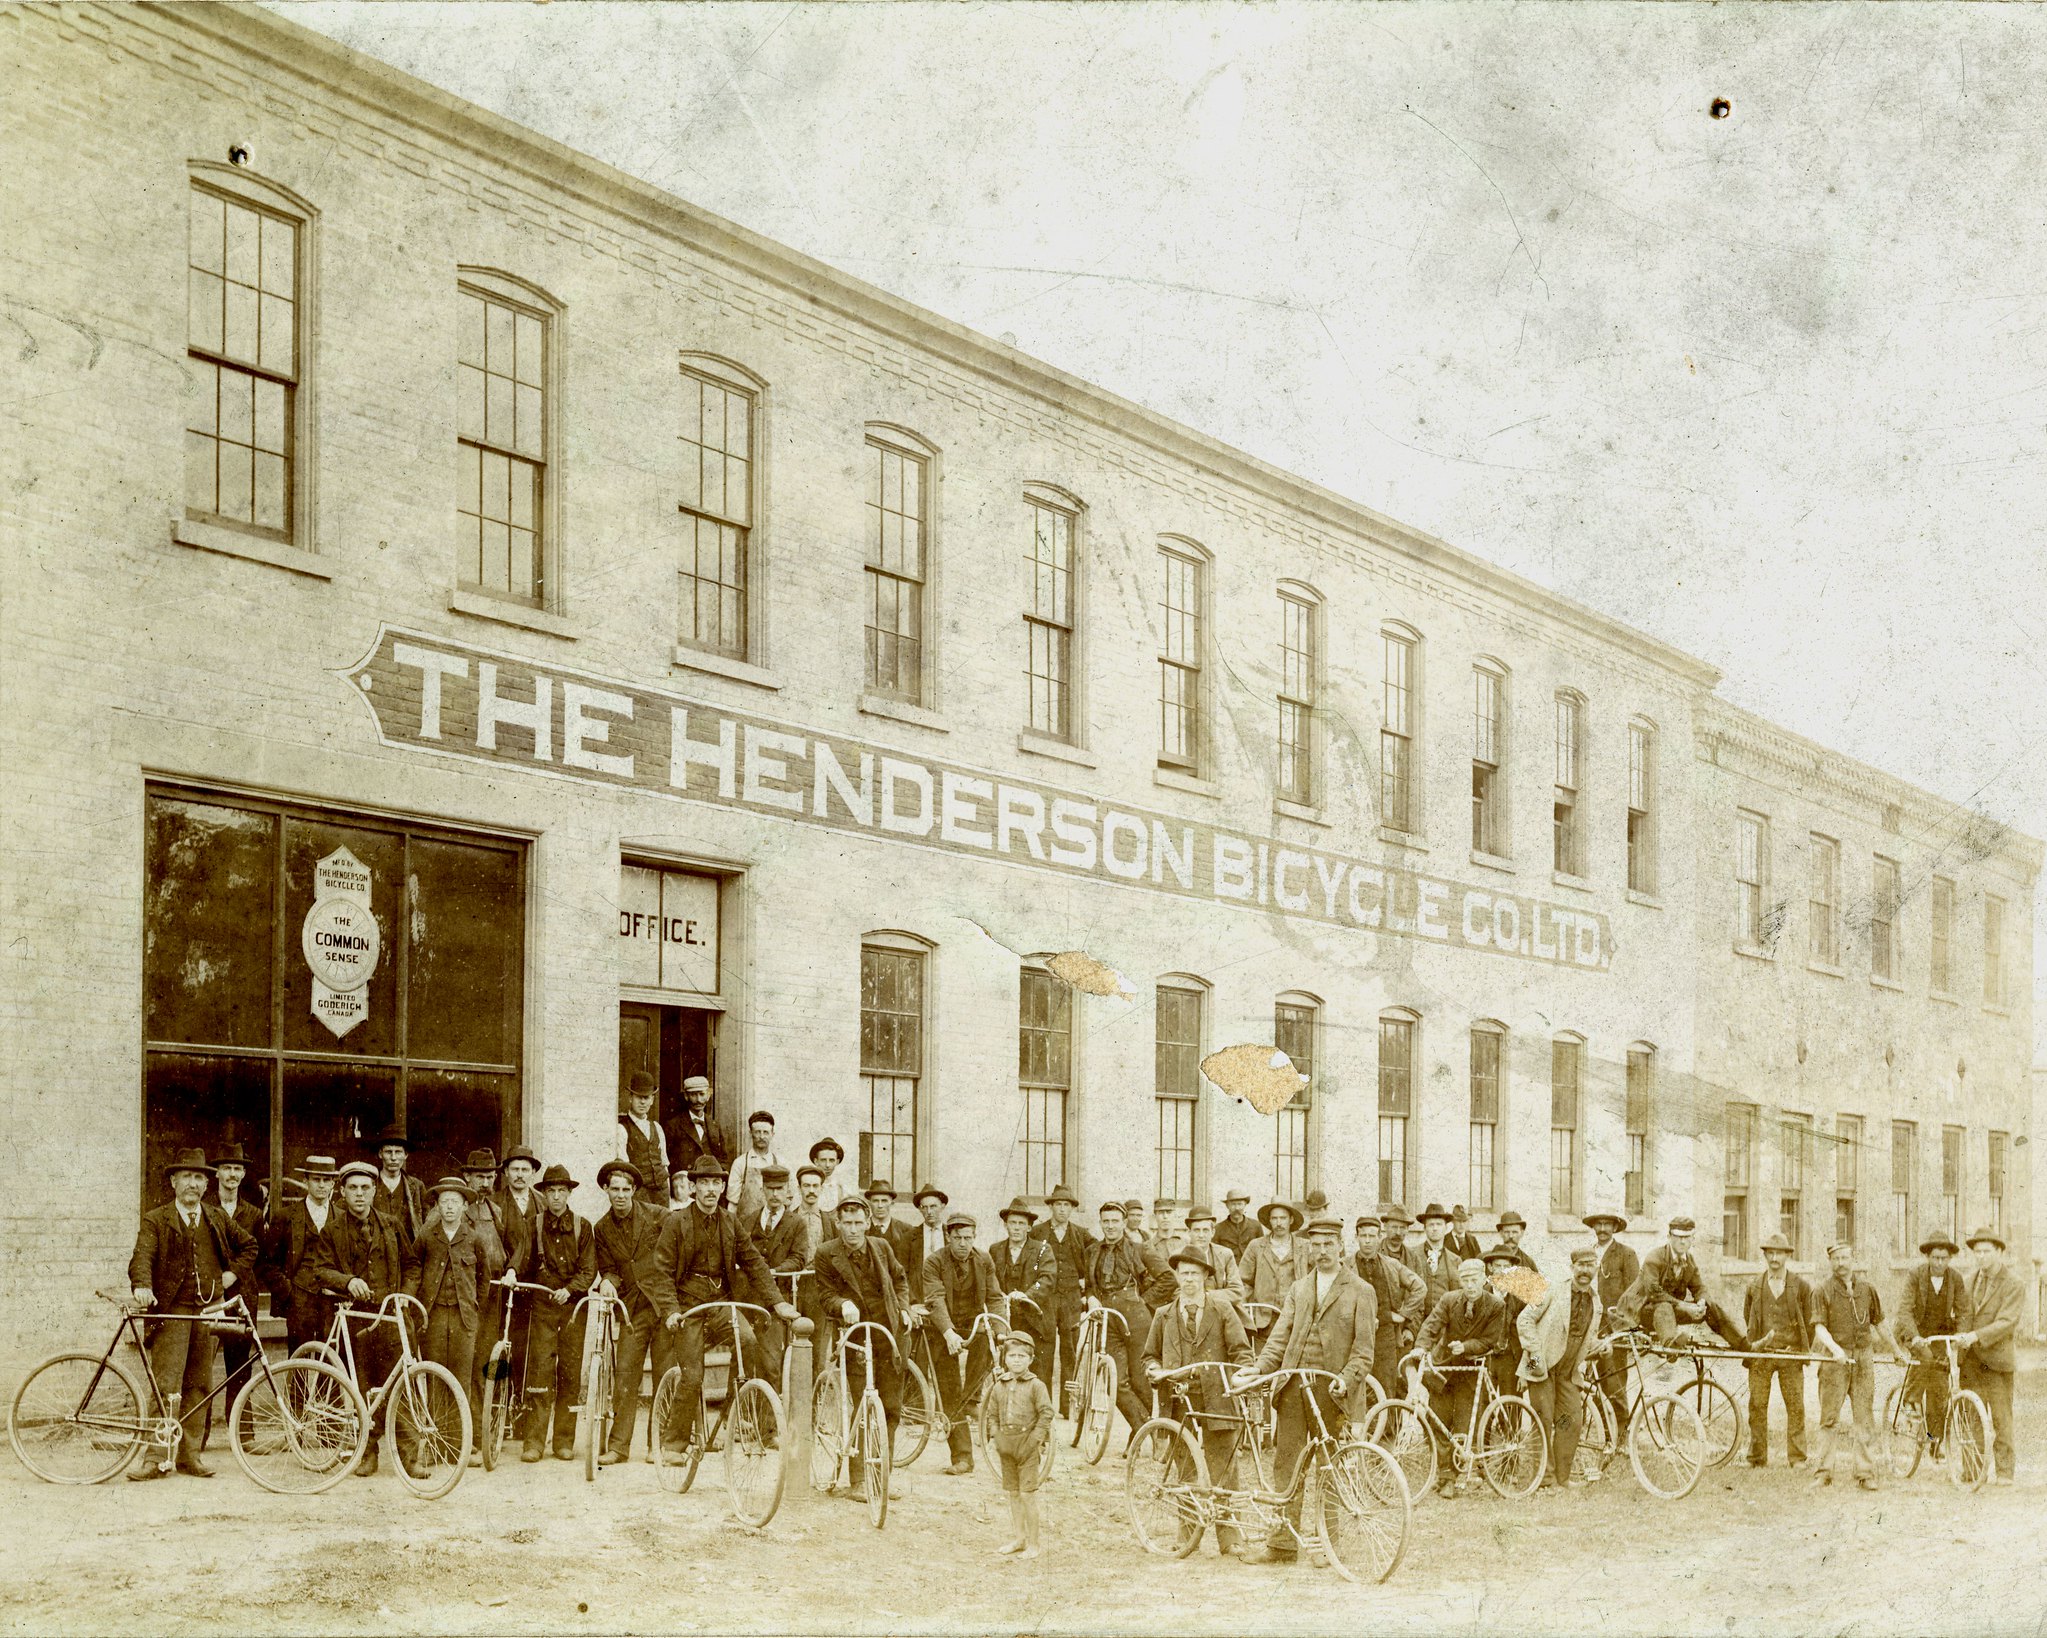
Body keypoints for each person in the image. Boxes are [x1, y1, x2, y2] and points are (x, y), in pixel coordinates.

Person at [1240, 1216, 1374, 1562]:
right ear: (1309, 1248)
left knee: (1328, 1467)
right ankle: (1282, 1545)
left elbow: (1364, 1352)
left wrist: (1345, 1379)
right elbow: (1279, 1339)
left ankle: (1327, 1547)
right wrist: (1257, 1368)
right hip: (1294, 1389)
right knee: (1286, 1466)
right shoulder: (1299, 1288)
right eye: (1316, 1244)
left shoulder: (1361, 1290)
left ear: (1341, 1247)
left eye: (1329, 1243)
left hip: (1333, 1393)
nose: (1322, 1250)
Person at [648, 1157, 797, 1455]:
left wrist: (778, 1303)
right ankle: (674, 1444)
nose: (711, 1190)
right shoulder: (677, 1222)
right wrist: (671, 1311)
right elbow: (661, 1271)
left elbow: (754, 1262)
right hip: (688, 1307)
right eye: (704, 1183)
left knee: (748, 1342)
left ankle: (730, 1414)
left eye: (716, 1183)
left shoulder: (730, 1222)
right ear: (692, 1187)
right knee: (692, 1376)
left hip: (720, 1305)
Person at [126, 1148, 258, 1480]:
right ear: (174, 1182)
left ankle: (189, 1455)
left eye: (199, 1178)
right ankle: (156, 1457)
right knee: (166, 1384)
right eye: (187, 1177)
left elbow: (250, 1246)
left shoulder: (215, 1217)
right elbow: (141, 1257)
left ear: (206, 1184)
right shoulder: (156, 1219)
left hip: (207, 1310)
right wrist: (143, 1285)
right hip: (172, 1312)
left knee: (199, 1384)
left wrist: (231, 1276)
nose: (193, 1184)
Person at [1143, 1247, 1253, 1557]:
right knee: (1187, 1468)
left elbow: (1241, 1352)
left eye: (1194, 1274)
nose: (1188, 1280)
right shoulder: (1164, 1315)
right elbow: (1149, 1355)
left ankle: (1230, 1538)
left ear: (1205, 1277)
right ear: (1177, 1277)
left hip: (1217, 1397)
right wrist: (1153, 1369)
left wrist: (1238, 1377)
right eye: (1183, 1274)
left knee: (1225, 1468)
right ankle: (1187, 1535)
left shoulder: (1222, 1310)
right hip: (1178, 1402)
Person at [314, 1160, 414, 1478]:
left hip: (389, 1315)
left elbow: (412, 1265)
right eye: (353, 1188)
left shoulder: (392, 1225)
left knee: (401, 1383)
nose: (360, 1194)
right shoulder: (332, 1230)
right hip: (355, 1321)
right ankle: (367, 1453)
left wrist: (403, 1296)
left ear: (374, 1191)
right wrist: (346, 1281)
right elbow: (319, 1269)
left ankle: (410, 1456)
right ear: (342, 1192)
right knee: (362, 1387)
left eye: (365, 1188)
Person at [811, 1194, 916, 1473]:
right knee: (861, 1406)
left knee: (891, 1407)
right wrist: (843, 1303)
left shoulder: (881, 1247)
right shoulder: (825, 1254)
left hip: (888, 1334)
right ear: (838, 1223)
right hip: (855, 1337)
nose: (853, 1230)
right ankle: (858, 1479)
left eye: (858, 1222)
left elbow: (899, 1279)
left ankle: (882, 1476)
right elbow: (824, 1295)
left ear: (868, 1222)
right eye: (847, 1223)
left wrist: (904, 1308)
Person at [405, 1176, 501, 1433]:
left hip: (464, 1319)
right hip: (433, 1316)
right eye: (444, 1202)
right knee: (435, 1376)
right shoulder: (427, 1237)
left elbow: (484, 1279)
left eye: (454, 1202)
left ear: (464, 1207)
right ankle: (438, 1441)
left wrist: (474, 1307)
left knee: (462, 1379)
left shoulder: (474, 1238)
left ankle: (460, 1443)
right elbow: (414, 1267)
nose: (449, 1207)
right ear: (437, 1206)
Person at [591, 1159, 670, 1467]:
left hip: (662, 1305)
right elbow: (608, 1268)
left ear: (634, 1190)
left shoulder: (658, 1216)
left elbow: (676, 1250)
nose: (620, 1195)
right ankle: (619, 1447)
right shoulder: (602, 1228)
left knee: (666, 1373)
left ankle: (659, 1443)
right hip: (631, 1310)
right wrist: (608, 1283)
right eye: (615, 1190)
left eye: (626, 1189)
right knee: (625, 1374)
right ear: (606, 1191)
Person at [1809, 1241, 1898, 1490]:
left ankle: (1865, 1473)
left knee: (1864, 1417)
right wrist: (1836, 1350)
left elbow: (1880, 1323)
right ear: (1830, 1262)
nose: (1841, 1263)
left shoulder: (1867, 1289)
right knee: (1829, 1418)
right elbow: (1819, 1327)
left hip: (1863, 1358)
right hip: (1835, 1360)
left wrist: (1896, 1351)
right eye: (1836, 1259)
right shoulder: (1822, 1290)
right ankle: (1823, 1473)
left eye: (1845, 1258)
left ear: (1853, 1258)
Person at [523, 1163, 597, 1462]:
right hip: (542, 1306)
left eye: (561, 1191)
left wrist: (571, 1289)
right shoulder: (534, 1224)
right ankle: (534, 1443)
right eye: (551, 1191)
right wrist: (515, 1271)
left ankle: (564, 1441)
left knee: (569, 1371)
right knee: (540, 1371)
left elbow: (589, 1269)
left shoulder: (583, 1226)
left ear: (569, 1194)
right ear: (545, 1193)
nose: (556, 1197)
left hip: (573, 1308)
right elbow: (522, 1257)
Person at [1414, 1258, 1507, 1495]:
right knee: (1438, 1419)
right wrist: (1420, 1347)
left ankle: (1453, 1476)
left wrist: (1465, 1347)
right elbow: (1431, 1324)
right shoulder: (1449, 1300)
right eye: (1465, 1280)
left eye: (1474, 1279)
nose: (1470, 1285)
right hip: (1444, 1367)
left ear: (1484, 1279)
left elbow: (1489, 1340)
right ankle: (1444, 1473)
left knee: (1464, 1424)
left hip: (1471, 1370)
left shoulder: (1495, 1305)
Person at [923, 1210, 1005, 1474]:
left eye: (968, 1238)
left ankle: (971, 1397)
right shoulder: (934, 1262)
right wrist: (947, 1332)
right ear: (948, 1237)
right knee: (949, 1389)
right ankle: (962, 1457)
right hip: (941, 1327)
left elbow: (994, 1297)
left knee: (987, 1351)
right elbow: (934, 1298)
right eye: (957, 1237)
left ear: (974, 1237)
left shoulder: (984, 1260)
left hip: (972, 1323)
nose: (962, 1243)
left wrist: (1000, 1328)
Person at [1516, 1248, 1605, 1488]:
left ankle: (1562, 1477)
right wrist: (1534, 1352)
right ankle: (1544, 1480)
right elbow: (1524, 1320)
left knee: (1571, 1420)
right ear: (1572, 1267)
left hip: (1567, 1372)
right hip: (1540, 1366)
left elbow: (1583, 1338)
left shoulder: (1596, 1303)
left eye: (1591, 1265)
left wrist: (1601, 1346)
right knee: (1543, 1418)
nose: (1586, 1270)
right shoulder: (1553, 1291)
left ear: (1596, 1268)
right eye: (1581, 1265)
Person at [1085, 1200, 1172, 1441]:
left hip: (1137, 1319)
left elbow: (1168, 1278)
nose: (1110, 1226)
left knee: (1139, 1379)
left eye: (1115, 1221)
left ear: (1124, 1223)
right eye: (1106, 1222)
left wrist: (1144, 1302)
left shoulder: (1139, 1249)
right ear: (1100, 1223)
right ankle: (1147, 1429)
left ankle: (1140, 1435)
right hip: (1107, 1318)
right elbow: (1090, 1285)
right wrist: (1091, 1298)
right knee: (1117, 1381)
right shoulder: (1092, 1251)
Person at [1893, 1230, 1970, 1462]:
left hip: (1939, 1336)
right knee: (1924, 1358)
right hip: (1915, 1332)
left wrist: (1961, 1335)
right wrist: (1914, 1337)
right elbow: (1905, 1310)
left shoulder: (1955, 1279)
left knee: (1940, 1390)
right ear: (1928, 1257)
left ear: (1949, 1259)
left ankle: (1935, 1443)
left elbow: (1964, 1310)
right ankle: (1910, 1400)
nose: (1939, 1263)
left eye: (1943, 1258)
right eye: (1935, 1258)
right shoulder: (1915, 1275)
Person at [1616, 1216, 1747, 1351]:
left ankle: (1743, 1344)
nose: (1682, 1242)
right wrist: (1684, 1306)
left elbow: (1699, 1287)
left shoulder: (1689, 1261)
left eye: (1687, 1237)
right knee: (1663, 1306)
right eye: (1678, 1237)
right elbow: (1654, 1293)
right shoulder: (1654, 1258)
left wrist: (1701, 1301)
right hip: (1639, 1310)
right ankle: (1671, 1345)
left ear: (1692, 1239)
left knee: (1709, 1304)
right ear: (1669, 1237)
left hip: (1669, 1313)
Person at [1742, 1232, 1814, 1467]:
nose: (1774, 1258)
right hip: (1762, 1354)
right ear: (1765, 1256)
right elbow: (1748, 1316)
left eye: (1779, 1254)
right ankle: (1756, 1457)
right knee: (1757, 1404)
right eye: (1770, 1253)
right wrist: (1759, 1343)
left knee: (1795, 1405)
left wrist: (1800, 1347)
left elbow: (1809, 1321)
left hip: (1790, 1354)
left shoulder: (1801, 1286)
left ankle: (1797, 1457)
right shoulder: (1755, 1286)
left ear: (1787, 1256)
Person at [1962, 1224, 2023, 1484]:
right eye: (1977, 1252)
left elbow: (2006, 1321)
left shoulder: (2014, 1283)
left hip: (1997, 1363)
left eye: (1986, 1251)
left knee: (2001, 1417)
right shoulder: (1968, 1280)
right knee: (1971, 1416)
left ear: (1999, 1251)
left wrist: (1977, 1335)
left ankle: (2005, 1472)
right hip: (1971, 1362)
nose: (1981, 1257)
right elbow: (1964, 1315)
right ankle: (1973, 1470)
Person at [263, 1154, 340, 1356]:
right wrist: (288, 1293)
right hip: (299, 1299)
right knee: (298, 1359)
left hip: (331, 1300)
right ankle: (296, 1389)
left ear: (333, 1183)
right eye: (316, 1179)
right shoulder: (286, 1216)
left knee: (330, 1359)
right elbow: (268, 1263)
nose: (321, 1185)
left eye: (326, 1180)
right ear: (306, 1181)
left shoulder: (342, 1216)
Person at [986, 1330, 1052, 1559]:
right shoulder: (999, 1386)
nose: (1016, 1360)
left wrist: (1034, 1440)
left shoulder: (1036, 1386)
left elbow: (1046, 1414)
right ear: (1005, 1359)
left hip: (1028, 1448)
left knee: (1027, 1495)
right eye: (1012, 1356)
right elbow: (991, 1415)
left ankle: (1034, 1543)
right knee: (1013, 1494)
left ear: (1030, 1359)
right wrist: (997, 1437)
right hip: (1007, 1446)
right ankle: (1019, 1538)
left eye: (1021, 1356)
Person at [1030, 1184, 1095, 1394]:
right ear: (1051, 1207)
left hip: (1071, 1299)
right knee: (1044, 1350)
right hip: (1045, 1300)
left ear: (1072, 1208)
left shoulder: (1081, 1234)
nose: (1062, 1209)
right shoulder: (1037, 1232)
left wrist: (1087, 1285)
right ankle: (1044, 1401)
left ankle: (1069, 1405)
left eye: (1066, 1205)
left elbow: (1095, 1255)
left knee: (1070, 1350)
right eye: (1058, 1204)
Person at [1352, 1214, 1427, 1395]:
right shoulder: (1346, 1266)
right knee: (1357, 1388)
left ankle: (1388, 1423)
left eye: (1372, 1236)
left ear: (1379, 1237)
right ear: (1356, 1238)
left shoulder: (1392, 1265)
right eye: (1364, 1236)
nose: (1368, 1241)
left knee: (1387, 1387)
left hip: (1386, 1337)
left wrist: (1403, 1314)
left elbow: (1420, 1288)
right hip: (1355, 1336)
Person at [988, 1197, 1056, 1387]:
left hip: (1037, 1321)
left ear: (1029, 1227)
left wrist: (1027, 1295)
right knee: (1007, 1371)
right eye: (1012, 1223)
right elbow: (990, 1280)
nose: (1016, 1228)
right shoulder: (995, 1250)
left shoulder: (1043, 1249)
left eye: (1021, 1224)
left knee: (1039, 1376)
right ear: (1006, 1225)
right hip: (1008, 1320)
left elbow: (1048, 1279)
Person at [1584, 1209, 1639, 1432]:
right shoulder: (1587, 1254)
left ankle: (1622, 1432)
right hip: (1589, 1328)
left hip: (1613, 1329)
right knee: (1593, 1382)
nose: (1603, 1229)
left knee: (1614, 1383)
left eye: (1608, 1224)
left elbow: (1636, 1293)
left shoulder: (1626, 1254)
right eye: (1599, 1224)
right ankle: (1604, 1434)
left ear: (1615, 1228)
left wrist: (1624, 1326)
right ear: (1594, 1228)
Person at [1241, 1198, 1303, 1344]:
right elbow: (1243, 1282)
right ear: (1269, 1221)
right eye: (1274, 1218)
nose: (1279, 1223)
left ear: (1291, 1220)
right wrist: (1246, 1314)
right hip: (1263, 1321)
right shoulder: (1256, 1246)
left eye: (1283, 1218)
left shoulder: (1304, 1247)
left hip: (1295, 1319)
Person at [615, 1072, 671, 1208]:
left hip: (661, 1192)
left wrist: (667, 1193)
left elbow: (664, 1164)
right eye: (638, 1097)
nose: (642, 1102)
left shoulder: (656, 1127)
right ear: (630, 1098)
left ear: (652, 1100)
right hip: (640, 1193)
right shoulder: (622, 1129)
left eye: (646, 1097)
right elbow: (624, 1169)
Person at [665, 1074, 730, 1192]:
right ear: (686, 1096)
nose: (699, 1100)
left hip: (709, 1187)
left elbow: (723, 1159)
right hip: (685, 1188)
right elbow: (668, 1161)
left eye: (701, 1094)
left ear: (708, 1096)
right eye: (693, 1095)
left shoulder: (715, 1125)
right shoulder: (673, 1125)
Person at [892, 1184, 950, 1307]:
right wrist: (912, 1302)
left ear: (942, 1206)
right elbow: (902, 1275)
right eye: (924, 1207)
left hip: (948, 1298)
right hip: (919, 1299)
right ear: (920, 1209)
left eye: (933, 1206)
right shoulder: (909, 1238)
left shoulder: (951, 1235)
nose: (929, 1212)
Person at [369, 1124, 428, 1243]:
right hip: (376, 1252)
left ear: (405, 1155)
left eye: (398, 1152)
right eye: (388, 1152)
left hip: (408, 1251)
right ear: (380, 1154)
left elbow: (428, 1223)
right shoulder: (369, 1184)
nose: (393, 1157)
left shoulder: (417, 1186)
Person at [1483, 1244, 1529, 1392]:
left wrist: (1526, 1371)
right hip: (1486, 1358)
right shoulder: (1481, 1294)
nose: (1502, 1271)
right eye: (1498, 1266)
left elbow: (1532, 1337)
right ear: (1490, 1268)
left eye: (1507, 1267)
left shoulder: (1522, 1298)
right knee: (1483, 1407)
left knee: (1510, 1408)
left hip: (1511, 1359)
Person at [726, 1110, 785, 1223]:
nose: (761, 1136)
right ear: (751, 1133)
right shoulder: (740, 1163)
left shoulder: (781, 1163)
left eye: (765, 1132)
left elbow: (787, 1200)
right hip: (746, 1227)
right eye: (757, 1132)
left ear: (772, 1134)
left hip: (774, 1226)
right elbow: (732, 1204)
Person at [1403, 1202, 1461, 1312]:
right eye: (1431, 1224)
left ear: (1446, 1228)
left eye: (1439, 1224)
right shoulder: (1411, 1255)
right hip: (1417, 1323)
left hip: (1445, 1324)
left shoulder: (1456, 1260)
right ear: (1424, 1228)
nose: (1435, 1228)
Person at [1182, 1207, 1245, 1305]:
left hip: (1221, 1310)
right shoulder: (1179, 1256)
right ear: (1189, 1232)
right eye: (1197, 1230)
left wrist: (1206, 1296)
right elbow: (1175, 1291)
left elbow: (1237, 1292)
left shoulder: (1225, 1254)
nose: (1201, 1235)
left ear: (1213, 1232)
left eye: (1206, 1230)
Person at [1212, 1190, 1262, 1259]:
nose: (1237, 1208)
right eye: (1233, 1204)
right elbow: (1215, 1253)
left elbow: (1262, 1250)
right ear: (1227, 1206)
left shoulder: (1256, 1226)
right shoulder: (1218, 1228)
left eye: (1239, 1204)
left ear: (1245, 1205)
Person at [808, 1137, 846, 1215]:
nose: (827, 1165)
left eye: (831, 1160)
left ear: (837, 1162)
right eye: (823, 1160)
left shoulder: (840, 1189)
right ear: (816, 1161)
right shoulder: (808, 1187)